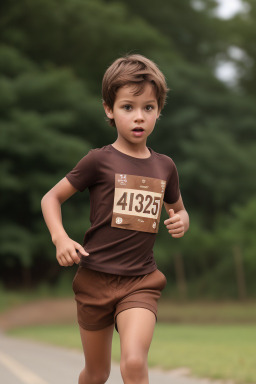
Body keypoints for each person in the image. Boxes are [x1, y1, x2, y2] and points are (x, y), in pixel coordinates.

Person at [41, 53, 189, 384]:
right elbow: (51, 197)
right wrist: (60, 238)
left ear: (158, 111)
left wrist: (181, 220)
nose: (139, 117)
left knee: (134, 363)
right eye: (128, 107)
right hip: (95, 279)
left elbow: (178, 209)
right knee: (96, 373)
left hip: (140, 281)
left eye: (148, 108)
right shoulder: (98, 160)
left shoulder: (165, 166)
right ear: (109, 109)